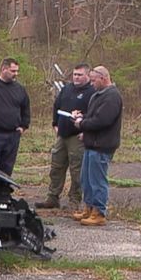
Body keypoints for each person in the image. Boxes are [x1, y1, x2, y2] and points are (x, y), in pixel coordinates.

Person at [36, 64, 96, 210]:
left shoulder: (92, 92)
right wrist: (55, 124)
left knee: (77, 170)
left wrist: (86, 130)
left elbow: (96, 115)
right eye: (74, 74)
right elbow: (57, 106)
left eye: (80, 75)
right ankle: (52, 197)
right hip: (62, 135)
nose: (76, 77)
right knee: (56, 167)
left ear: (88, 76)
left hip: (78, 136)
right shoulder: (67, 89)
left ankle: (74, 201)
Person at [72, 66, 123, 226]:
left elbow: (102, 120)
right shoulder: (98, 95)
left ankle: (99, 212)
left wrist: (82, 124)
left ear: (103, 78)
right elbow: (93, 116)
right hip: (91, 144)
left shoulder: (112, 96)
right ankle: (88, 207)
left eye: (94, 80)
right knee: (86, 179)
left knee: (97, 180)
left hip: (102, 145)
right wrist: (82, 117)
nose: (92, 84)